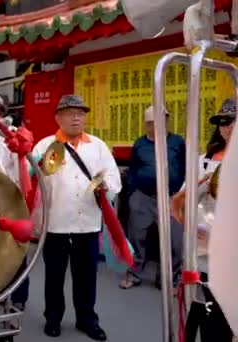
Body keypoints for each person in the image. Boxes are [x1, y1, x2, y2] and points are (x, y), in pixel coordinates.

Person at [32, 94, 121, 341]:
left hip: (87, 225)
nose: (76, 118)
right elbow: (31, 180)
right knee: (54, 277)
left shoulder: (98, 146)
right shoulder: (44, 145)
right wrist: (37, 169)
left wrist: (103, 186)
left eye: (80, 113)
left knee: (86, 278)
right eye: (70, 113)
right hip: (56, 224)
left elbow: (114, 179)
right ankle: (53, 318)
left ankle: (87, 320)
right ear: (58, 117)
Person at [171, 98, 235, 342]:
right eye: (223, 122)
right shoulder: (203, 161)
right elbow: (182, 201)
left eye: (233, 121)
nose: (228, 127)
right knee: (207, 318)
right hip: (205, 252)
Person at [120, 106, 186, 290]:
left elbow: (185, 169)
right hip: (142, 197)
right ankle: (134, 274)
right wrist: (132, 195)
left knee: (173, 242)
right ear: (146, 125)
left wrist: (180, 196)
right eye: (151, 123)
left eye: (160, 121)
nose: (156, 126)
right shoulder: (140, 144)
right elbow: (132, 170)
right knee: (136, 239)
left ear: (167, 121)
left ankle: (168, 279)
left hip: (171, 198)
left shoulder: (177, 142)